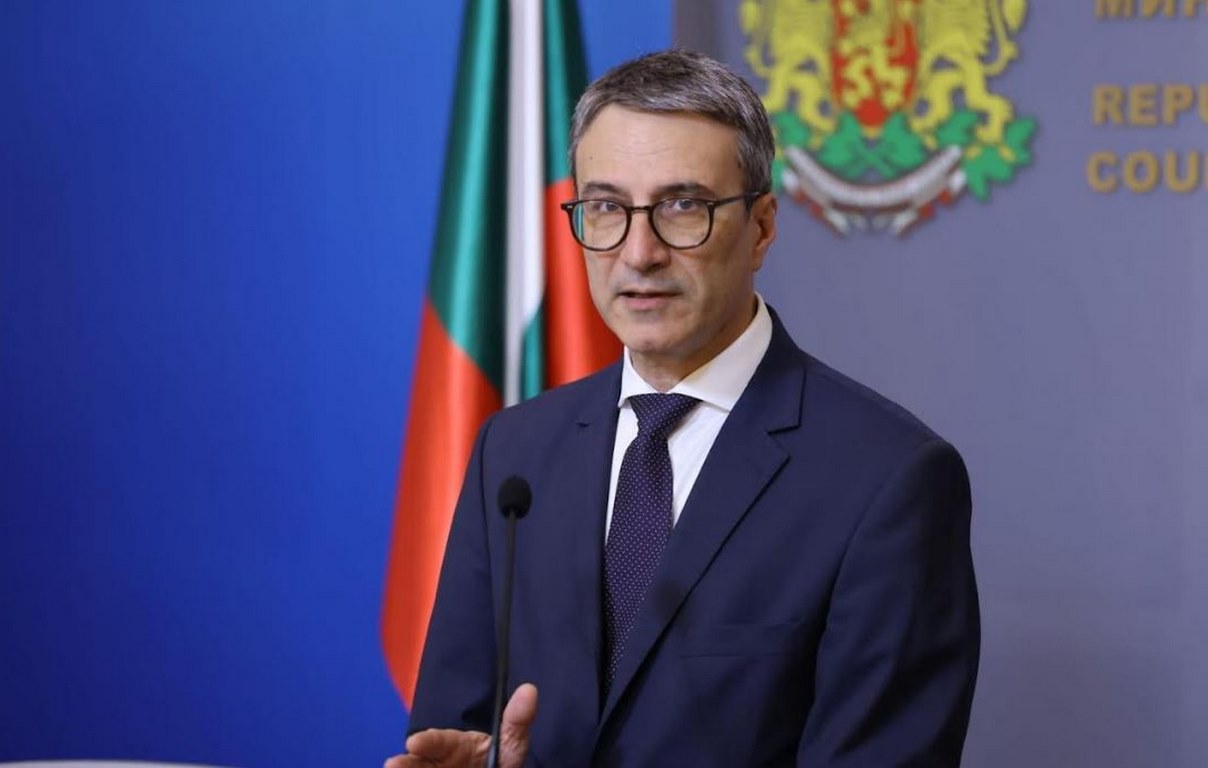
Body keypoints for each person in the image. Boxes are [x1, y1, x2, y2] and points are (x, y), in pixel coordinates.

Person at [387, 49, 979, 768]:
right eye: (607, 207)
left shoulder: (888, 479)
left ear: (761, 228)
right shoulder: (514, 452)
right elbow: (453, 730)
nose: (639, 253)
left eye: (682, 206)